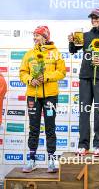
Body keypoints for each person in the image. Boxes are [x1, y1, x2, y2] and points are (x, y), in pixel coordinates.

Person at [68, 9, 99, 157]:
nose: (94, 20)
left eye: (97, 17)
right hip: (85, 77)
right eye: (92, 18)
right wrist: (71, 41)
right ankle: (83, 145)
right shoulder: (84, 36)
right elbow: (73, 50)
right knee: (84, 112)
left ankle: (98, 146)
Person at [20, 25, 66, 173]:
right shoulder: (29, 54)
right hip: (33, 96)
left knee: (50, 128)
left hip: (50, 96)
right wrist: (29, 80)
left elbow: (62, 72)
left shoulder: (55, 53)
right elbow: (22, 73)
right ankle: (32, 159)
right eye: (34, 35)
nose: (35, 38)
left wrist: (46, 77)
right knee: (33, 128)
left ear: (45, 37)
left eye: (38, 35)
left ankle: (51, 160)